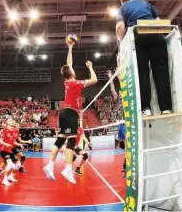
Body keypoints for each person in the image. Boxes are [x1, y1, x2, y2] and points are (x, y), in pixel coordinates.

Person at [43, 41, 98, 183]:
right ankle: (68, 169)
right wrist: (91, 67)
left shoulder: (67, 81)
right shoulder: (74, 83)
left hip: (64, 112)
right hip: (71, 113)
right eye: (72, 69)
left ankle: (50, 165)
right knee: (71, 140)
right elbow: (94, 80)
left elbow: (68, 63)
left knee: (60, 139)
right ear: (72, 73)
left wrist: (70, 48)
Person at [114, 0, 172, 116]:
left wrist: (122, 44)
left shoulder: (122, 9)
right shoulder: (145, 3)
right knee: (161, 72)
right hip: (156, 34)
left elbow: (120, 27)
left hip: (138, 35)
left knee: (142, 73)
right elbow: (158, 22)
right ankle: (166, 108)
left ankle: (146, 109)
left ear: (122, 0)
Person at [107, 69, 126, 174]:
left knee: (126, 145)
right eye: (119, 92)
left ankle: (126, 163)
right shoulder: (118, 99)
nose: (119, 93)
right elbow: (113, 89)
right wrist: (111, 78)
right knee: (122, 145)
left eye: (121, 92)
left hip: (125, 123)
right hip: (120, 124)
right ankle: (127, 158)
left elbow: (123, 85)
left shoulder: (126, 98)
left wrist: (118, 75)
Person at [0, 118, 22, 186]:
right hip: (3, 150)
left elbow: (14, 142)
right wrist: (6, 144)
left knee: (18, 164)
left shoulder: (14, 131)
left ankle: (10, 176)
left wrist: (20, 144)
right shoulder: (4, 130)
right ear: (7, 123)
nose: (13, 121)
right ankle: (4, 180)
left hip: (10, 150)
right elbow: (0, 141)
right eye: (11, 120)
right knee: (10, 164)